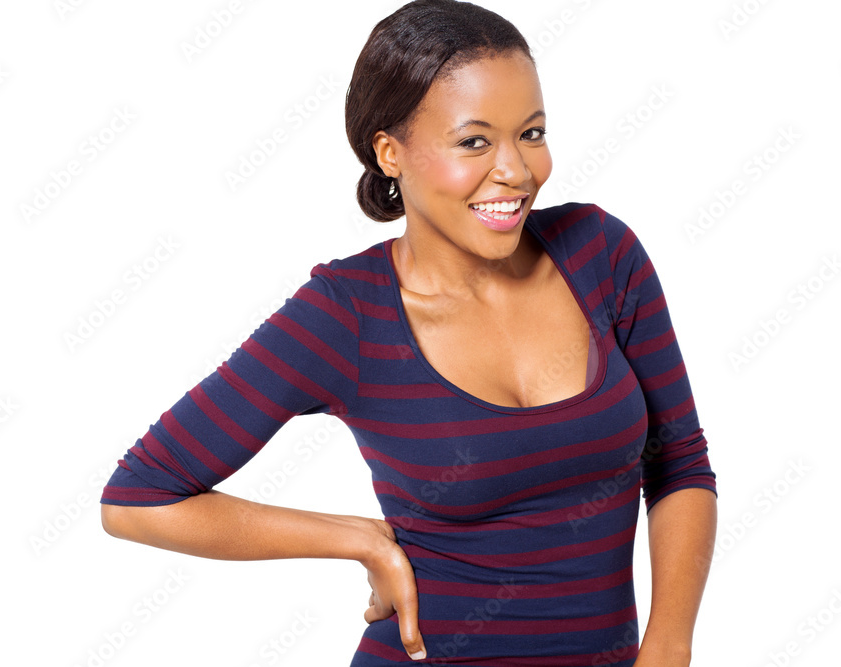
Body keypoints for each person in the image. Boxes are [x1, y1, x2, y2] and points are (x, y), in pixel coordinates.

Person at [99, 1, 718, 664]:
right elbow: (139, 496)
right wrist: (358, 538)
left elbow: (678, 459)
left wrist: (668, 642)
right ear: (391, 153)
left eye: (531, 133)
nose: (515, 169)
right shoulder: (347, 314)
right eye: (474, 141)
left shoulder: (601, 254)